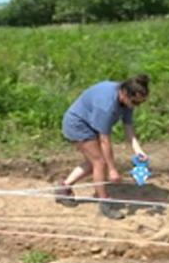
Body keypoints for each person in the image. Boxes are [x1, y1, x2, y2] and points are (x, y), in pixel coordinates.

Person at [56, 74, 150, 219]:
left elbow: (128, 127)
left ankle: (63, 188)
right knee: (100, 162)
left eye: (140, 103)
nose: (136, 106)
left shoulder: (127, 99)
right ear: (125, 94)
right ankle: (104, 202)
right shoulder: (106, 106)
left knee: (94, 161)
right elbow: (105, 140)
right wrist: (112, 170)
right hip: (77, 125)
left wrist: (138, 150)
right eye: (135, 103)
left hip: (89, 122)